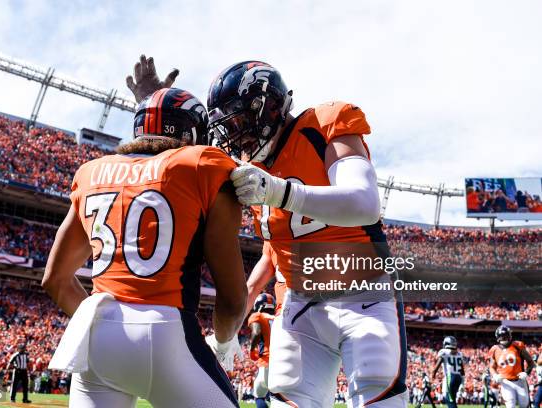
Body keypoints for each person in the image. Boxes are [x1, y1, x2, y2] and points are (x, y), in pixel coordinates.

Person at [127, 56, 407, 408]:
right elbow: (268, 256)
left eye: (239, 122)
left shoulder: (324, 123)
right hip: (301, 305)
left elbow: (364, 203)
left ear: (267, 106)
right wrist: (152, 106)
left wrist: (279, 192)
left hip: (366, 295)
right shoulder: (251, 171)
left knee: (378, 399)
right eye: (226, 128)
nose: (234, 137)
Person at [43, 87, 246, 408]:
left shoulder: (92, 171)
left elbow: (54, 279)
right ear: (193, 131)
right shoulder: (203, 163)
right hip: (167, 332)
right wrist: (224, 342)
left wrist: (105, 327)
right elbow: (234, 300)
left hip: (97, 338)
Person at [489, 325, 534, 408]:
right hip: (506, 382)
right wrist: (495, 375)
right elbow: (491, 367)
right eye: (502, 337)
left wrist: (526, 373)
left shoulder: (518, 345)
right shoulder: (494, 349)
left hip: (520, 381)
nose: (504, 339)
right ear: (498, 337)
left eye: (505, 336)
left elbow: (531, 362)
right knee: (510, 405)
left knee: (524, 406)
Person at [248, 293, 276, 408]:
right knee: (280, 396)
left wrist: (251, 349)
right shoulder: (279, 318)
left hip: (268, 360)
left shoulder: (257, 315)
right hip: (284, 359)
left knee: (259, 395)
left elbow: (256, 332)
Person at [431, 336, 464, 408]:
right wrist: (462, 383)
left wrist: (433, 376)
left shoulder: (444, 352)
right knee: (452, 399)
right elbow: (462, 371)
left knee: (449, 399)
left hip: (450, 377)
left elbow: (436, 368)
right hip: (458, 377)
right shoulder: (459, 354)